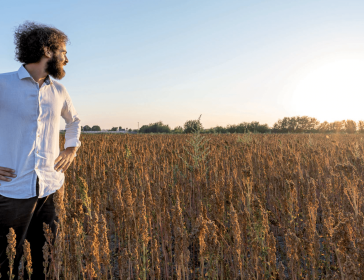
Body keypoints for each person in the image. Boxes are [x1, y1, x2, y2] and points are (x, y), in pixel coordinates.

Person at [0, 21, 81, 279]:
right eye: (64, 52)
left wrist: (71, 149)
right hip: (12, 190)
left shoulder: (59, 90)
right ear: (47, 50)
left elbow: (74, 120)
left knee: (45, 259)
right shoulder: (3, 85)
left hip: (49, 187)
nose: (67, 59)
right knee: (7, 262)